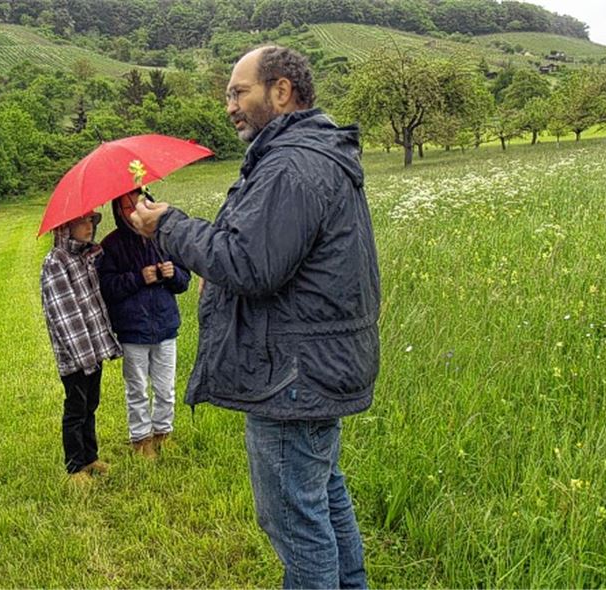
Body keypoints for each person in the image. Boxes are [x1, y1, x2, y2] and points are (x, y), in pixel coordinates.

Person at [128, 46, 381, 588]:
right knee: (322, 495)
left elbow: (248, 264)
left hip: (291, 374)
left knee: (295, 517)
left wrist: (168, 225)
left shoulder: (291, 165)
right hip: (314, 363)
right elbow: (265, 253)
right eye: (228, 95)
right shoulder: (311, 153)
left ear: (281, 90)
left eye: (239, 92)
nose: (230, 106)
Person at [97, 188, 190, 458]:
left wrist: (173, 274)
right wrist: (139, 278)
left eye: (139, 202)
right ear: (118, 211)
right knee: (137, 388)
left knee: (165, 387)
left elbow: (183, 281)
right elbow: (107, 288)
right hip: (132, 329)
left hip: (165, 326)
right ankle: (141, 439)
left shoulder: (162, 238)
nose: (134, 210)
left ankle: (163, 433)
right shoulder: (111, 245)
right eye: (126, 207)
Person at [41, 212, 122, 484]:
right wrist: (84, 358)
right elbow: (65, 315)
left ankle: (90, 457)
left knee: (91, 404)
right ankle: (75, 466)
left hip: (93, 349)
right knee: (76, 408)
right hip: (75, 355)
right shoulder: (56, 262)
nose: (90, 227)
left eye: (92, 222)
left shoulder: (85, 257)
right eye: (83, 222)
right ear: (66, 227)